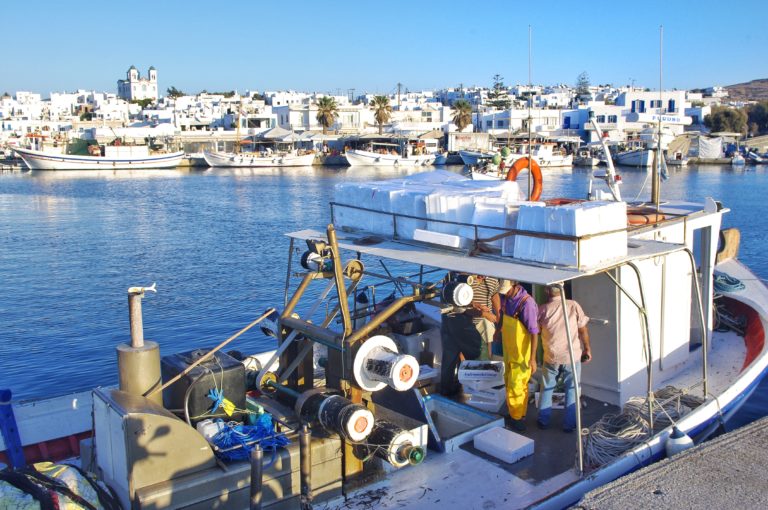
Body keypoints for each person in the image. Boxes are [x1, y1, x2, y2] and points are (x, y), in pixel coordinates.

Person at [536, 286, 591, 432]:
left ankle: (543, 420)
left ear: (547, 292)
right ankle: (569, 424)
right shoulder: (573, 305)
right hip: (571, 356)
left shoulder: (542, 309)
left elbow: (536, 331)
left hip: (551, 356)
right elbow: (583, 329)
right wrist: (587, 348)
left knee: (547, 388)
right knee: (572, 389)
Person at [440, 274, 500, 395]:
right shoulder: (458, 277)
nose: (482, 278)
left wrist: (498, 315)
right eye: (479, 276)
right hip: (461, 323)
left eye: (485, 276)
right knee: (477, 355)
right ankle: (477, 390)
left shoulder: (492, 280)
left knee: (452, 357)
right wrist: (482, 313)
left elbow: (494, 294)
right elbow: (457, 305)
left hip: (476, 323)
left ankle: (452, 389)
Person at [498, 280, 539, 431]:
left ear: (515, 286)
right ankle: (514, 413)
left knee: (518, 386)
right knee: (509, 382)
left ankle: (519, 420)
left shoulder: (526, 304)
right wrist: (497, 332)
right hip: (509, 350)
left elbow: (535, 333)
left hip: (523, 354)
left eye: (507, 291)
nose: (505, 294)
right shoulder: (505, 298)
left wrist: (533, 359)